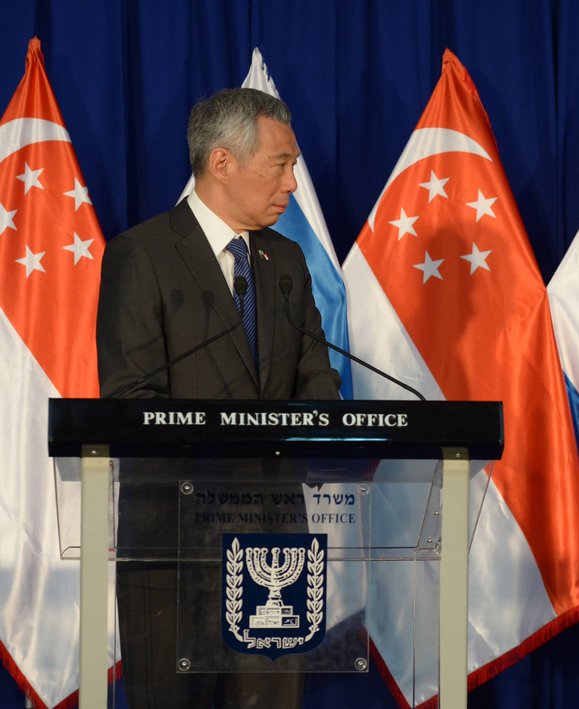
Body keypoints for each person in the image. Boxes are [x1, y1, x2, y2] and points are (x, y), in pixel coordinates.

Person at [97, 88, 340, 707]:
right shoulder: (142, 254)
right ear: (222, 162)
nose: (292, 182)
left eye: (293, 166)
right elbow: (130, 399)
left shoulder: (286, 261)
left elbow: (318, 383)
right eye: (280, 164)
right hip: (174, 540)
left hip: (274, 543)